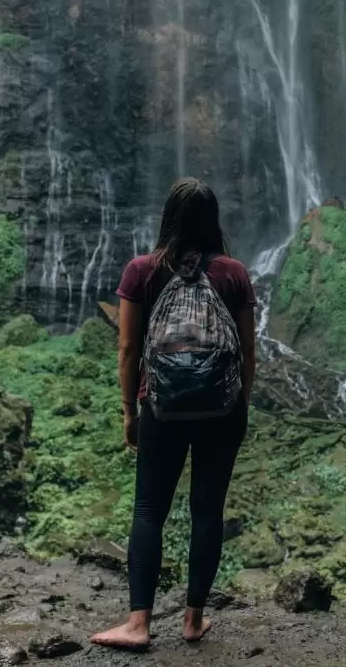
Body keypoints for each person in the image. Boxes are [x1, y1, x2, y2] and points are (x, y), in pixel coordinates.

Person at [91, 177, 257, 651]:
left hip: (160, 408)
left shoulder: (141, 271)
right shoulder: (234, 273)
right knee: (207, 511)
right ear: (214, 221)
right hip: (222, 410)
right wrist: (240, 403)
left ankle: (138, 623)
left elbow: (127, 348)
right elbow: (247, 348)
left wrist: (129, 410)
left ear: (167, 217)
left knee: (149, 510)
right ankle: (192, 620)